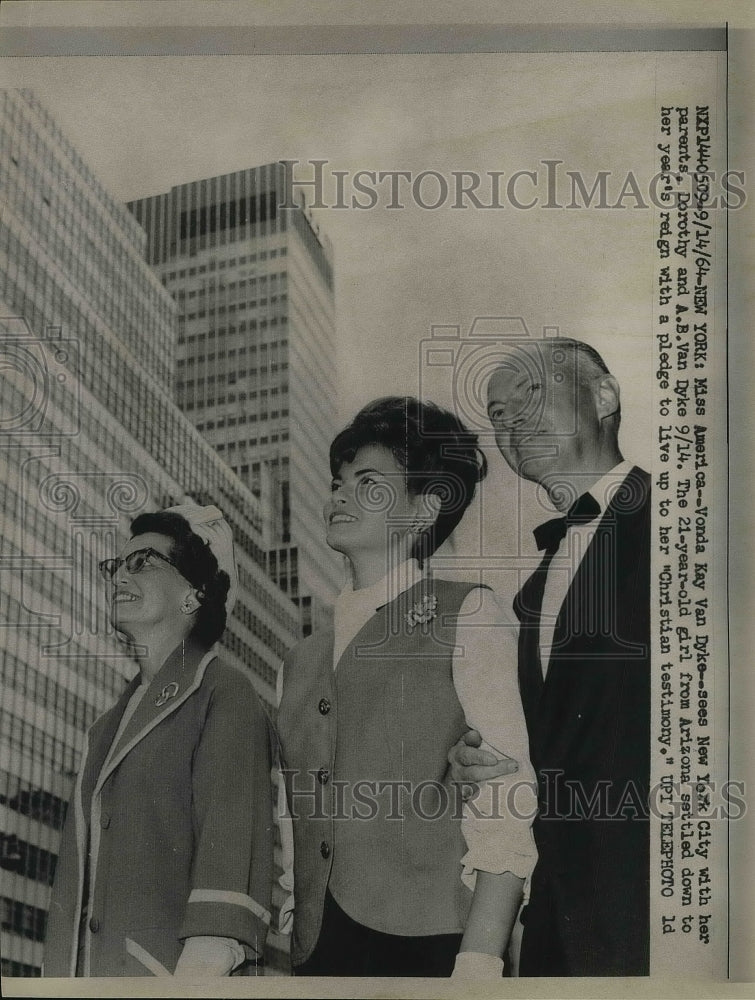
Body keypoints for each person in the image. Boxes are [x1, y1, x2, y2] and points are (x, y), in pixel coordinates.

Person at [275, 396, 537, 978]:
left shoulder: (469, 614)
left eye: (368, 482)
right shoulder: (298, 660)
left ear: (425, 508)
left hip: (434, 943)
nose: (339, 494)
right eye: (339, 481)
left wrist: (479, 960)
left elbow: (508, 798)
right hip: (319, 951)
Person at [450, 338, 651, 976]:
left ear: (605, 396)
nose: (509, 421)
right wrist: (472, 755)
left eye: (529, 395)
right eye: (498, 414)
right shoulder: (532, 592)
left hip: (661, 914)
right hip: (559, 932)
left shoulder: (692, 520)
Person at [44, 504, 275, 977]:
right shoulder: (102, 730)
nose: (119, 577)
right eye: (117, 565)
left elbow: (228, 871)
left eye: (142, 562)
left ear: (194, 594)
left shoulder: (223, 692)